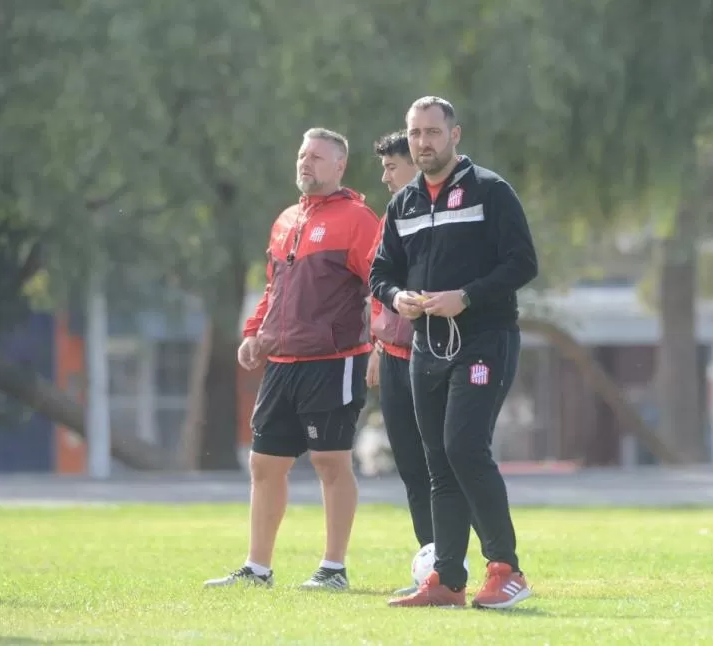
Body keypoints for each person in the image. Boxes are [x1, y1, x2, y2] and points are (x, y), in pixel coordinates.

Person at [370, 97, 538, 609]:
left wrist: (465, 296)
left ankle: (507, 569)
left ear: (455, 134)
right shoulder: (404, 204)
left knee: (465, 448)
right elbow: (382, 273)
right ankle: (446, 580)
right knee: (438, 461)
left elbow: (523, 263)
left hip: (486, 340)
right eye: (416, 133)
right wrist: (398, 299)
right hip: (427, 347)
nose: (423, 142)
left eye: (433, 132)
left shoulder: (490, 190)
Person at [205, 128, 379, 591]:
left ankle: (333, 568)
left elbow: (380, 284)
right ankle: (257, 569)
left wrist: (380, 342)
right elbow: (274, 288)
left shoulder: (358, 219)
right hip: (282, 363)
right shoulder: (285, 220)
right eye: (303, 155)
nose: (307, 163)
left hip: (335, 359)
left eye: (318, 157)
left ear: (340, 166)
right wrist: (254, 334)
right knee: (264, 464)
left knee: (329, 460)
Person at [365, 130, 432, 595]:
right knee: (410, 465)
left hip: (433, 353)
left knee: (445, 463)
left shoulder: (441, 217)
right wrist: (375, 348)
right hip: (391, 355)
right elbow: (378, 283)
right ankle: (431, 561)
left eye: (392, 166)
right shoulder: (392, 215)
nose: (385, 177)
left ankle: (466, 559)